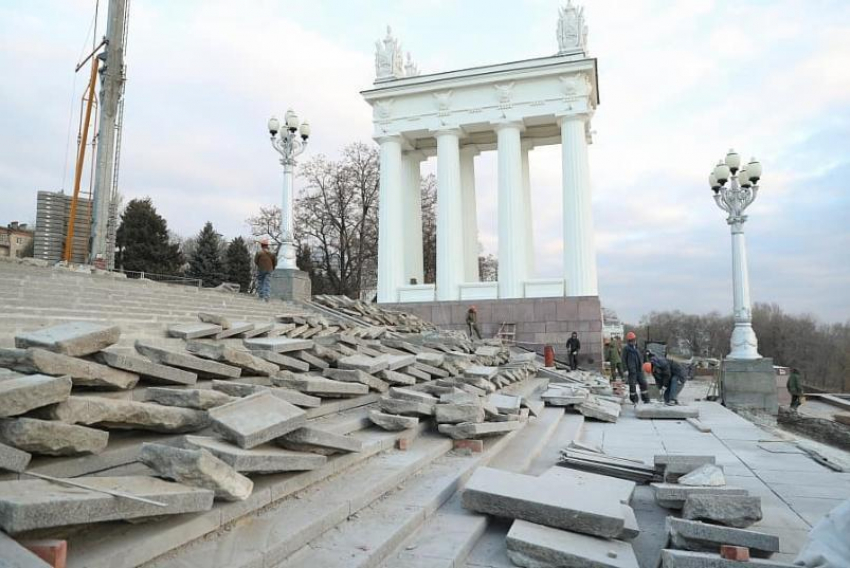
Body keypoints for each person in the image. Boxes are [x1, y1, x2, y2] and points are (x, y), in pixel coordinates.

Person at [623, 332, 650, 404]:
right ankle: (634, 400)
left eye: (634, 340)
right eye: (631, 341)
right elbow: (623, 359)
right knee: (632, 385)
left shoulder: (638, 348)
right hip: (632, 371)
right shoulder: (626, 349)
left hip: (639, 370)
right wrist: (625, 369)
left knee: (643, 383)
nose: (633, 342)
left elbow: (643, 356)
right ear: (629, 341)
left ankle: (646, 398)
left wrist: (646, 363)